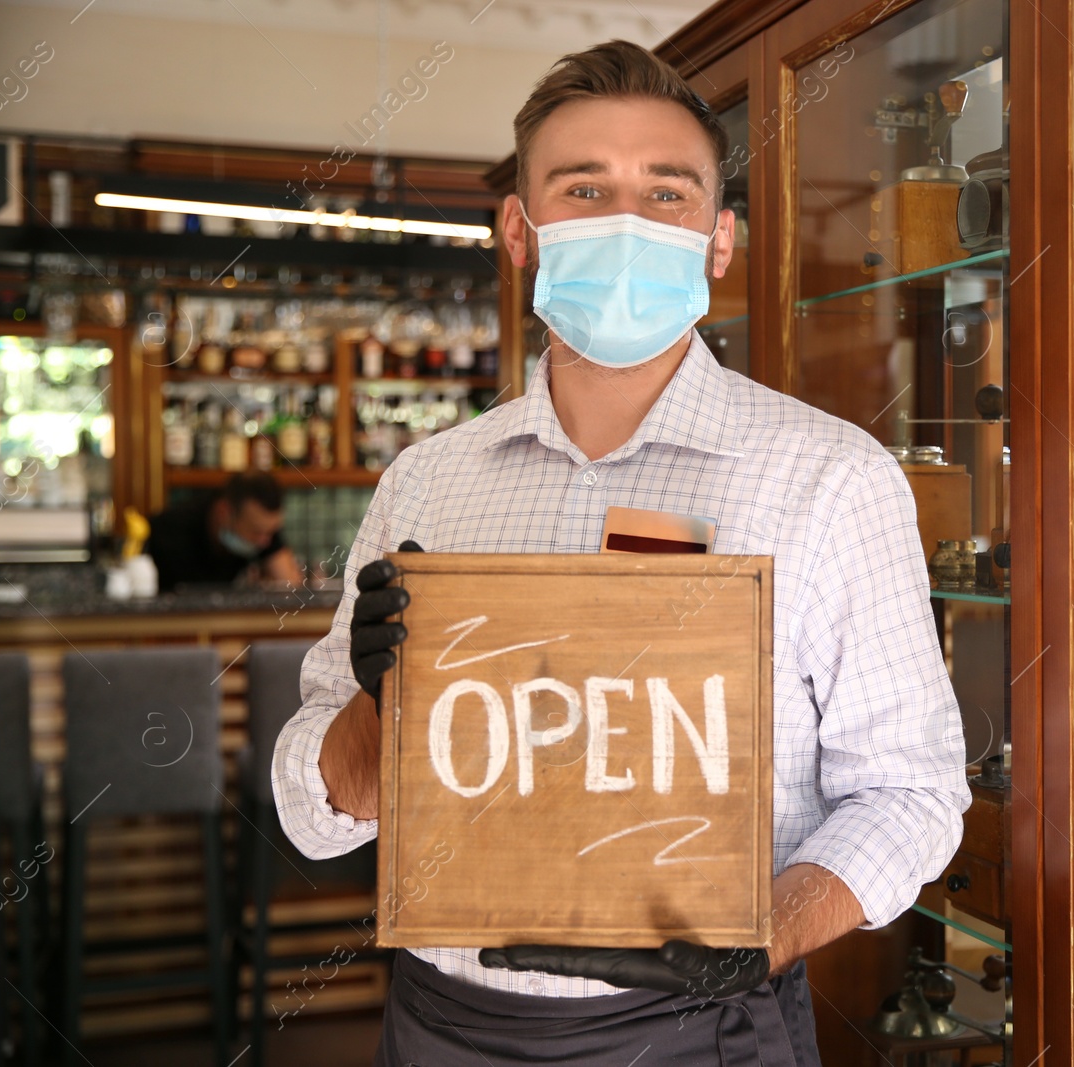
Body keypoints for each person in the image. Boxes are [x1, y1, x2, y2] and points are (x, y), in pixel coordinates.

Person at [272, 40, 969, 1067]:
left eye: (667, 193)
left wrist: (761, 935)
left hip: (706, 1028)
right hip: (442, 1026)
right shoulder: (423, 485)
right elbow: (318, 817)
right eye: (585, 189)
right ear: (520, 229)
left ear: (719, 240)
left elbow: (911, 794)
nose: (627, 224)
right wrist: (383, 706)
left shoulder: (831, 480)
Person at [145, 471, 301, 591]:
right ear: (224, 512)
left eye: (271, 532)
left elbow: (292, 587)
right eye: (256, 532)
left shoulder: (262, 530)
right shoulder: (172, 531)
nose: (265, 541)